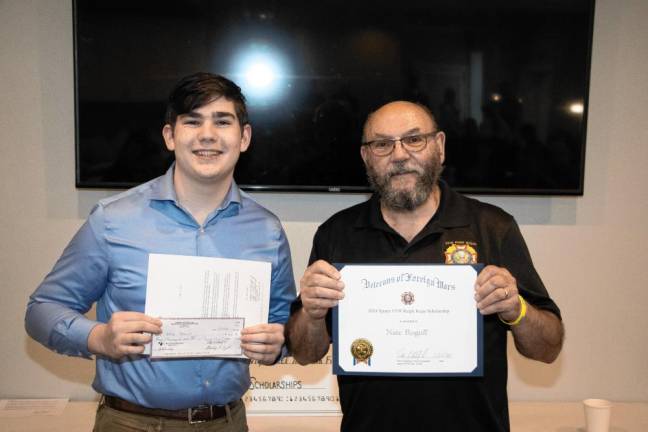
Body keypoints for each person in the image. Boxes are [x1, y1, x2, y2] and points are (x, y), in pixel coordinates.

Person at [25, 72, 296, 431]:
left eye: (222, 121)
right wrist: (99, 338)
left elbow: (283, 324)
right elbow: (40, 310)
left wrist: (279, 342)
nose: (207, 135)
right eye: (192, 121)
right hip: (130, 422)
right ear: (170, 136)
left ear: (243, 137)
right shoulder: (113, 220)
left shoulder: (268, 230)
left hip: (227, 422)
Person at [286, 101, 564, 432]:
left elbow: (549, 348)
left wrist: (515, 308)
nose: (400, 154)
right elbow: (305, 353)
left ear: (440, 146)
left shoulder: (493, 227)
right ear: (366, 157)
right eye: (382, 144)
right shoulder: (336, 233)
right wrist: (313, 313)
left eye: (414, 139)